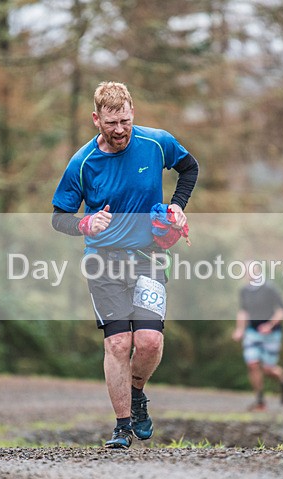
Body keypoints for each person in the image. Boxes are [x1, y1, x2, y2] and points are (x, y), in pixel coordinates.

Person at [51, 82, 198, 449]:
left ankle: (136, 392)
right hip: (103, 262)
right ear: (96, 119)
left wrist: (178, 205)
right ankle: (121, 426)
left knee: (148, 342)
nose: (120, 130)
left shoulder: (156, 142)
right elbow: (59, 217)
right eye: (112, 122)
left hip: (149, 256)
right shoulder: (82, 164)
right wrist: (85, 224)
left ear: (133, 113)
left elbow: (189, 168)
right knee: (118, 343)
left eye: (126, 121)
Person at [232, 276, 283, 411]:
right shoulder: (244, 290)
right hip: (252, 332)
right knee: (252, 364)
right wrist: (239, 329)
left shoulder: (269, 288)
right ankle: (260, 401)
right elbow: (243, 311)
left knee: (268, 369)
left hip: (271, 334)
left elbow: (281, 309)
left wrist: (270, 325)